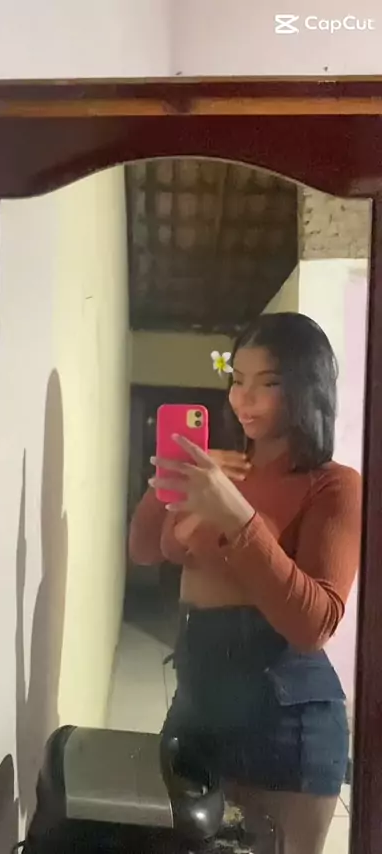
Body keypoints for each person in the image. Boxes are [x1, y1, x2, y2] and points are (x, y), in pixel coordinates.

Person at [129, 312, 362, 854]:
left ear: (306, 388)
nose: (244, 399)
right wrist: (168, 482)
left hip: (284, 720)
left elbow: (315, 623)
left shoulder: (333, 485)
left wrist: (236, 515)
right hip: (196, 705)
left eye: (268, 383)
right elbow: (144, 551)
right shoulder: (225, 469)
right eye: (237, 380)